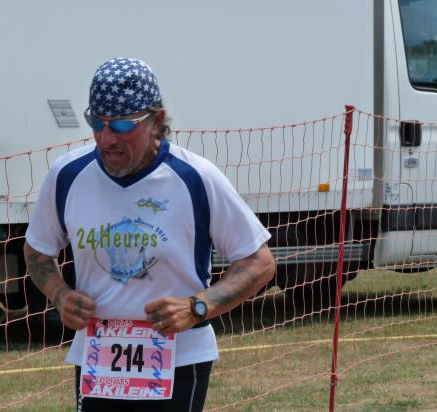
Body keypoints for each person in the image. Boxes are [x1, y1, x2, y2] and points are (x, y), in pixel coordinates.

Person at [23, 57, 275, 411]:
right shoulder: (67, 175)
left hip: (178, 358)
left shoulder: (195, 177)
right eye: (97, 123)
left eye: (122, 125)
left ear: (157, 121)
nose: (106, 138)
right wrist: (59, 294)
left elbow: (259, 262)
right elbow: (36, 250)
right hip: (98, 359)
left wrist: (196, 307)